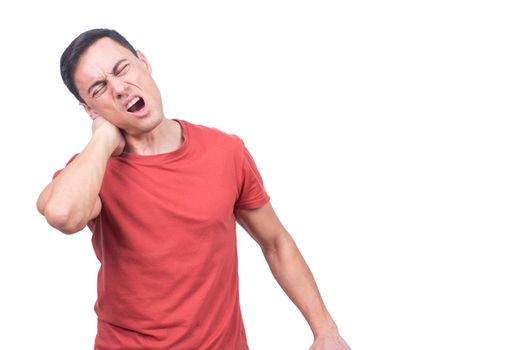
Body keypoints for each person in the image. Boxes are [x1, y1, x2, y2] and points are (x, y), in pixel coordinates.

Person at [37, 28, 350, 350]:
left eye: (122, 69)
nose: (118, 88)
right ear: (89, 108)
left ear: (143, 61)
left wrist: (325, 329)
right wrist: (102, 138)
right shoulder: (92, 169)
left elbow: (275, 243)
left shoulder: (226, 151)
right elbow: (62, 214)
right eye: (99, 88)